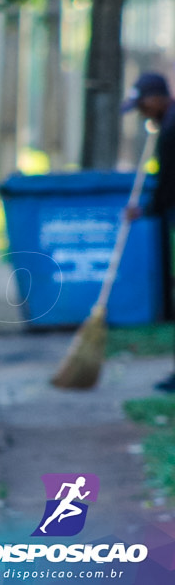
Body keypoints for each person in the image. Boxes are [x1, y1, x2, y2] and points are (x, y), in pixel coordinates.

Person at [122, 71, 175, 392]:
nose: (142, 112)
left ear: (156, 98)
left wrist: (145, 210)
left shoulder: (170, 131)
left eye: (142, 105)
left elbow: (169, 185)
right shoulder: (167, 125)